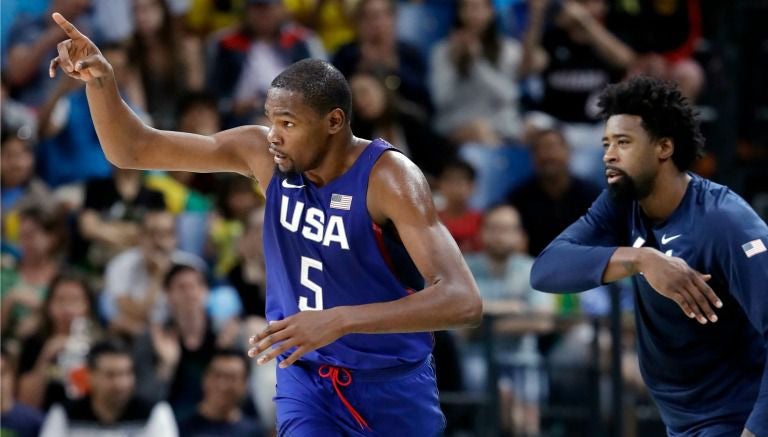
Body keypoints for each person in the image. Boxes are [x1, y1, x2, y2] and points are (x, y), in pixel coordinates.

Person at [49, 14, 483, 435]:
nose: (273, 134)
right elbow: (134, 149)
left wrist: (338, 321)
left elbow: (463, 301)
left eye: (288, 124)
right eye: (271, 119)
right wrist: (102, 82)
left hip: (391, 384)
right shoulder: (262, 153)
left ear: (334, 122)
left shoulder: (389, 179)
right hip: (305, 377)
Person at [530, 76, 767, 437]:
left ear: (664, 148)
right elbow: (547, 269)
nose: (609, 154)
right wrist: (643, 260)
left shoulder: (725, 222)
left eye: (623, 142)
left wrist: (756, 429)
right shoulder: (620, 204)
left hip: (735, 416)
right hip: (681, 419)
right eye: (607, 143)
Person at [39, 339, 178, 437]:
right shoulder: (64, 414)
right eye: (110, 375)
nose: (120, 383)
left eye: (126, 373)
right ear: (90, 376)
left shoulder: (155, 413)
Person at [178, 348, 264, 436]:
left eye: (231, 378)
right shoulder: (179, 425)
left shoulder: (253, 432)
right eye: (217, 375)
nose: (222, 385)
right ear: (205, 378)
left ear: (244, 384)